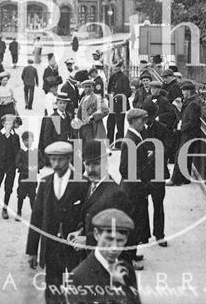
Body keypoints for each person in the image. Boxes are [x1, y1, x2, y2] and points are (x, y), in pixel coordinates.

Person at [26, 141, 88, 304]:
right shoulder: (45, 182)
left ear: (69, 159)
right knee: (53, 290)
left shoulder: (82, 183)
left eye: (60, 159)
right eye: (52, 159)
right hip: (51, 247)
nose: (56, 164)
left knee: (78, 288)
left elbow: (86, 216)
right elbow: (36, 217)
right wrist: (32, 250)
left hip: (74, 248)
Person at [66, 208, 141, 304]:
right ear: (96, 234)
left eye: (120, 240)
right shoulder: (78, 277)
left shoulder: (127, 269)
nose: (114, 247)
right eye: (109, 239)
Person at [67, 140, 131, 250]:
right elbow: (88, 217)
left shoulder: (116, 194)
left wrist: (88, 240)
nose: (91, 169)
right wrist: (80, 231)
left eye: (96, 164)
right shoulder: (90, 185)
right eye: (87, 164)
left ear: (106, 162)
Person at [119, 108, 153, 269]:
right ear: (132, 121)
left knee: (137, 223)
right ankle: (127, 259)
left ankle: (131, 253)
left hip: (136, 188)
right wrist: (141, 182)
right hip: (132, 189)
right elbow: (124, 169)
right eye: (141, 120)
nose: (144, 123)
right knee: (131, 224)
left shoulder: (136, 137)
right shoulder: (130, 140)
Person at [141, 101, 174, 247]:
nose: (148, 119)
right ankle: (143, 235)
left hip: (158, 171)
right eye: (145, 116)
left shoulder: (162, 128)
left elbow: (169, 146)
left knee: (158, 205)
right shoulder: (138, 130)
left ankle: (159, 235)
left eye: (150, 116)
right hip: (142, 173)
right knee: (142, 204)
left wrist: (155, 152)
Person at [168, 81, 203, 186]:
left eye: (184, 90)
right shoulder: (189, 102)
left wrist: (181, 128)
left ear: (189, 91)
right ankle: (185, 178)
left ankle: (174, 179)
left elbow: (192, 122)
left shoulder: (193, 104)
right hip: (188, 133)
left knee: (180, 155)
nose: (182, 92)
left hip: (188, 133)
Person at [0, 114, 20, 219]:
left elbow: (18, 152)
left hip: (11, 166)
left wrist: (16, 164)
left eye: (11, 123)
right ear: (3, 124)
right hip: (0, 166)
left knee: (8, 188)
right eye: (7, 123)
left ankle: (5, 208)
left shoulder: (15, 137)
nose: (9, 125)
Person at [38, 92, 73, 167]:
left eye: (64, 103)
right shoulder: (53, 118)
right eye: (60, 103)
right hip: (57, 153)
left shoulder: (69, 116)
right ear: (56, 103)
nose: (63, 105)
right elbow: (47, 138)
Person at [14, 131, 38, 221]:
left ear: (33, 140)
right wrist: (27, 167)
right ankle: (19, 212)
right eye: (26, 141)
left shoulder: (36, 151)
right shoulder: (21, 152)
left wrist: (35, 167)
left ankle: (34, 214)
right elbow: (17, 163)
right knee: (20, 195)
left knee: (32, 195)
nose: (28, 143)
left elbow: (42, 162)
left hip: (32, 176)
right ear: (23, 142)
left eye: (30, 140)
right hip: (23, 176)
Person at [106, 61, 131, 148]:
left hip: (121, 105)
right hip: (112, 105)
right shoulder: (112, 77)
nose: (115, 69)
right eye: (114, 67)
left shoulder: (124, 78)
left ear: (120, 68)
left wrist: (118, 97)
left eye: (117, 67)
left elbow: (128, 92)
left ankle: (118, 144)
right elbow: (109, 90)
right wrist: (108, 96)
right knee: (110, 124)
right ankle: (109, 143)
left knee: (120, 126)